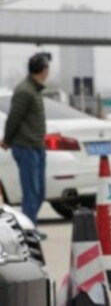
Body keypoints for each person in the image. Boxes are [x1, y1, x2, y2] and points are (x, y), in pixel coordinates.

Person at [1, 53, 50, 239]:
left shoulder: (34, 90)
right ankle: (28, 231)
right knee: (31, 191)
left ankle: (31, 226)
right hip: (26, 147)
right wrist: (7, 139)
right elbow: (14, 118)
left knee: (39, 192)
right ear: (43, 70)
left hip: (37, 146)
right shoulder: (25, 91)